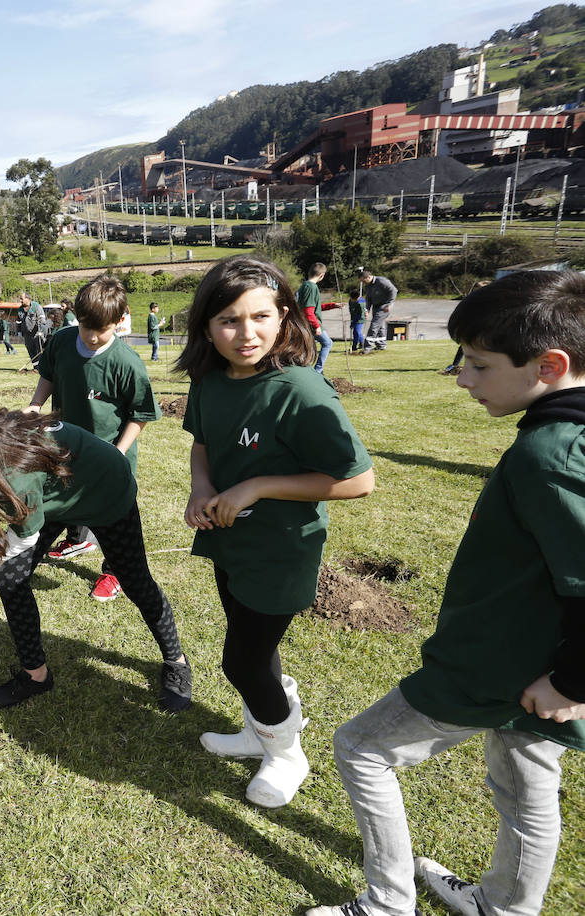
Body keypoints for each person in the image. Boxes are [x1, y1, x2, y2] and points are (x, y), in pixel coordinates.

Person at [307, 271, 585, 916]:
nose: (462, 378)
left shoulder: (554, 453)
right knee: (526, 787)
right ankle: (506, 907)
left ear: (550, 365)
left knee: (361, 749)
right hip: (536, 669)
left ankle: (385, 904)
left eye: (480, 366)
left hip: (503, 670)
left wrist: (572, 682)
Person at [177, 254, 374, 809]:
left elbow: (358, 481)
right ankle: (259, 728)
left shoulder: (302, 390)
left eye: (261, 317)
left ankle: (286, 754)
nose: (247, 334)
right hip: (229, 540)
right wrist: (201, 489)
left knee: (240, 660)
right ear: (206, 329)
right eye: (229, 321)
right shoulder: (209, 381)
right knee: (253, 649)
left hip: (282, 549)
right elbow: (201, 444)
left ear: (285, 316)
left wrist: (257, 487)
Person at [0, 378, 191, 712]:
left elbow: (22, 539)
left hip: (104, 490)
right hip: (52, 493)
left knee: (136, 582)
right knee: (9, 578)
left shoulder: (8, 473)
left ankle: (176, 661)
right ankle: (36, 676)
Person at [32, 274, 167, 602]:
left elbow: (141, 414)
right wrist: (35, 405)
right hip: (64, 449)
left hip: (109, 458)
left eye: (101, 329)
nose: (91, 337)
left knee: (115, 522)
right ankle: (76, 537)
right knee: (59, 498)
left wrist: (118, 452)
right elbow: (49, 374)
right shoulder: (62, 341)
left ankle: (113, 571)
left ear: (120, 321)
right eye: (84, 326)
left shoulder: (127, 363)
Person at [440, 280, 492, 375]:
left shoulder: (488, 299)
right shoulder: (475, 299)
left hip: (484, 325)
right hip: (474, 324)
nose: (476, 291)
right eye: (476, 290)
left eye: (479, 289)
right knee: (465, 344)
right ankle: (455, 365)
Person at [298, 262, 333, 373]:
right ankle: (318, 371)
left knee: (307, 349)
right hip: (311, 323)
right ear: (322, 275)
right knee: (327, 343)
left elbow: (315, 307)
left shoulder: (305, 285)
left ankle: (312, 371)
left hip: (305, 323)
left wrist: (332, 305)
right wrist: (316, 326)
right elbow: (308, 311)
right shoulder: (311, 287)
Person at [360, 269, 397, 353]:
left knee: (374, 325)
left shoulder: (382, 281)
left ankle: (367, 347)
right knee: (380, 326)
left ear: (369, 277)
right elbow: (368, 298)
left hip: (384, 306)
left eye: (363, 281)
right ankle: (381, 345)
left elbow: (393, 290)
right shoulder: (368, 286)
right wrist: (367, 309)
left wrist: (389, 304)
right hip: (376, 307)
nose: (363, 283)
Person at [20, 292, 47, 367]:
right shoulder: (20, 309)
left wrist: (41, 331)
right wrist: (19, 331)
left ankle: (43, 367)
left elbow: (42, 320)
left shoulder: (36, 306)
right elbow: (18, 322)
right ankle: (35, 367)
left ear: (27, 299)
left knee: (40, 351)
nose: (20, 301)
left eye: (22, 299)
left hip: (37, 333)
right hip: (27, 334)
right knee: (31, 351)